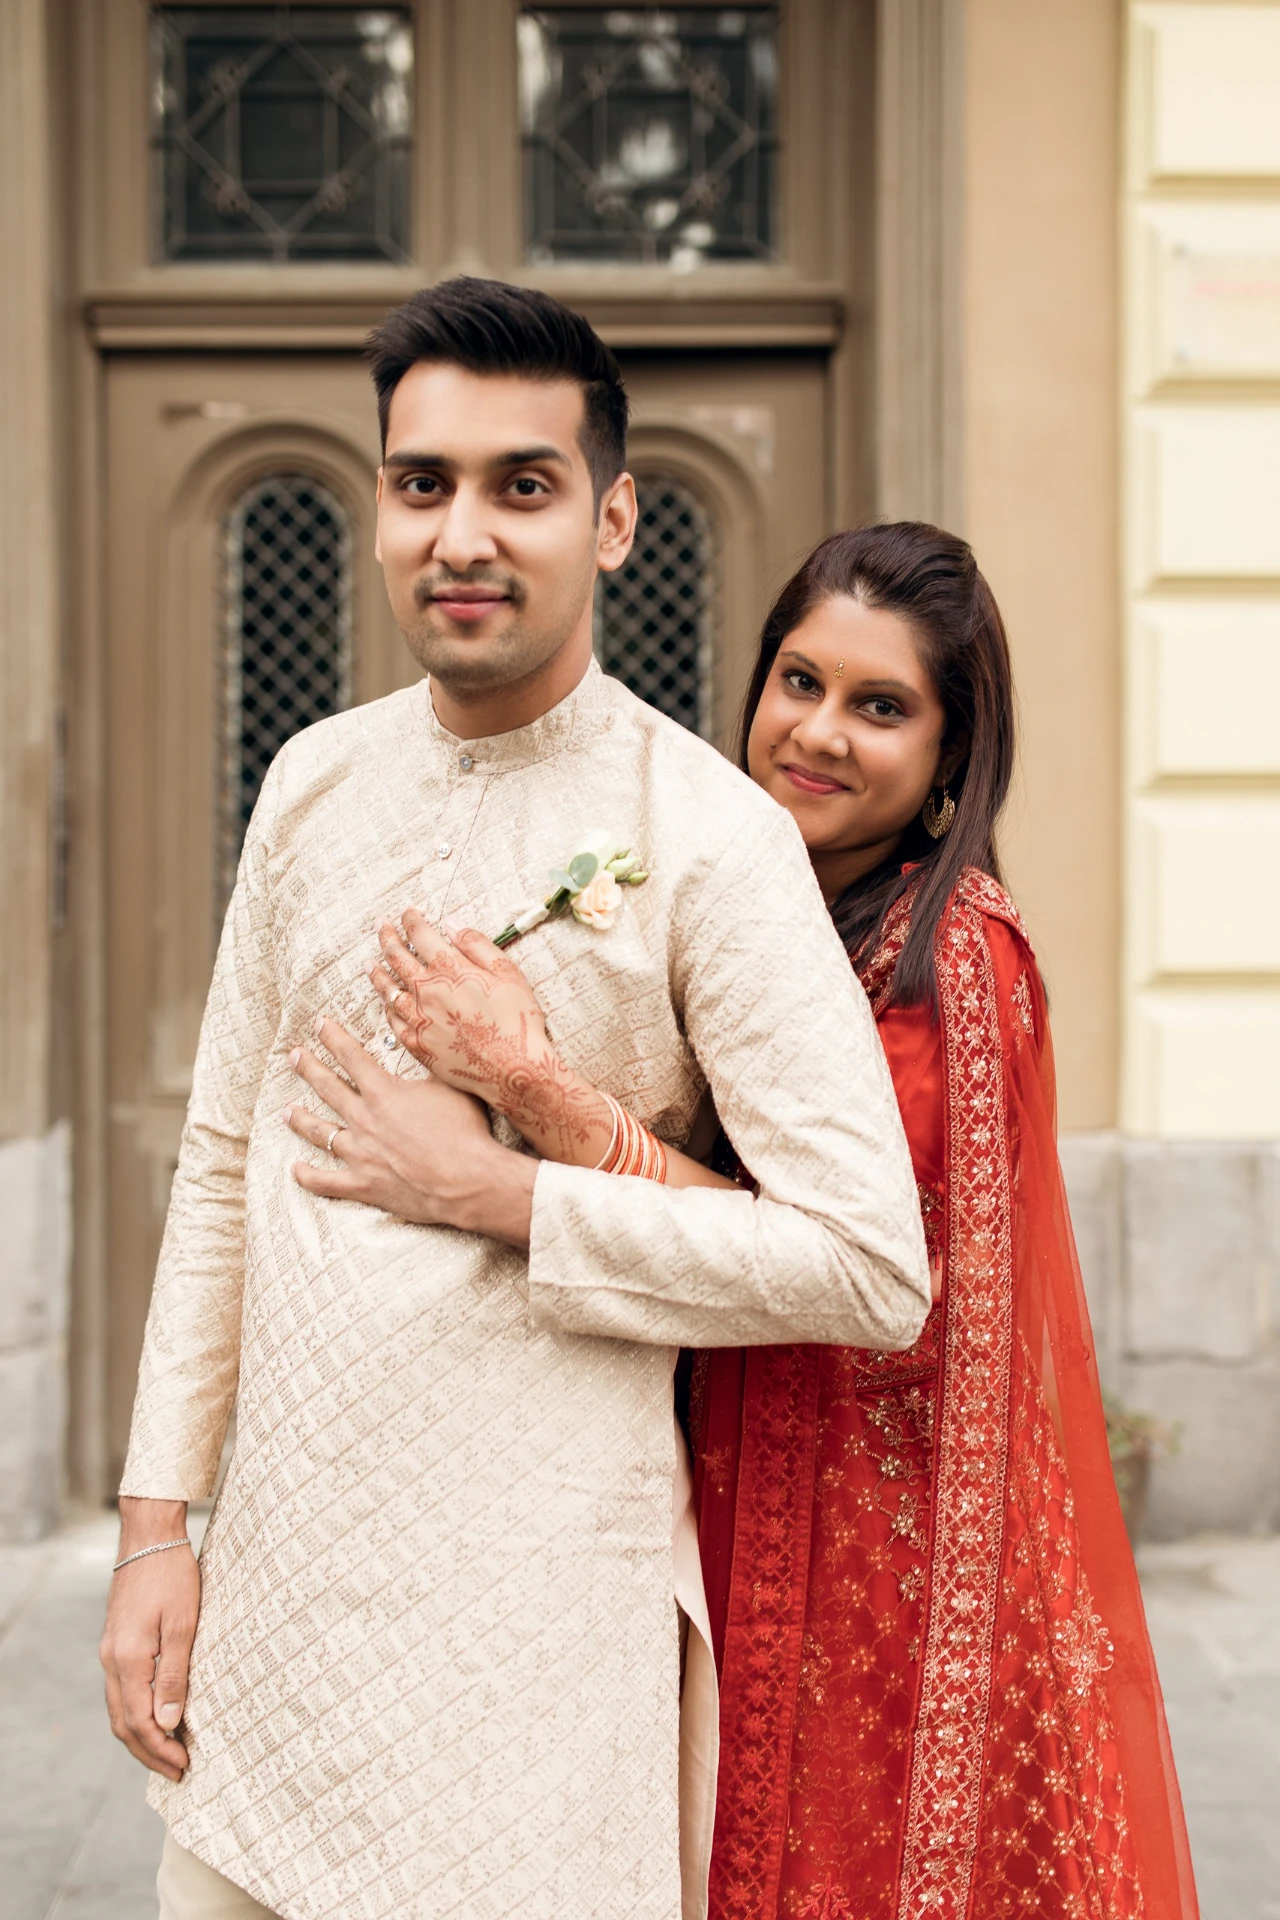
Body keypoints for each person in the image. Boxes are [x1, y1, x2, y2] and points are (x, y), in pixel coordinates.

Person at [99, 280, 931, 1920]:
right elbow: (219, 1164)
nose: (461, 533)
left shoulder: (707, 838)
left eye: (521, 486)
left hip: (535, 1642)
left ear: (614, 519)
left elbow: (867, 1264)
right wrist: (151, 1529)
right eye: (424, 484)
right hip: (277, 1611)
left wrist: (505, 1192)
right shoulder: (311, 780)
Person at [345, 523, 1198, 1920]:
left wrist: (532, 1096)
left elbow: (850, 1269)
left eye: (881, 707)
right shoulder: (767, 898)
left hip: (890, 1553)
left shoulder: (951, 955)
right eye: (800, 681)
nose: (817, 731)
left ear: (947, 762)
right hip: (738, 1476)